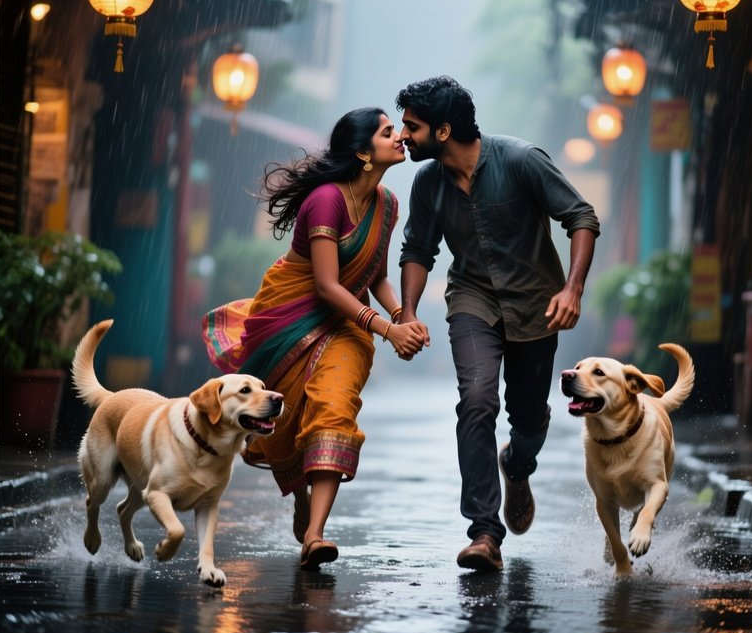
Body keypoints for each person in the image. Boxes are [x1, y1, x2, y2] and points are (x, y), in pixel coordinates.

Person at [202, 107, 428, 569]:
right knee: (286, 418)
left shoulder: (387, 204)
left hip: (347, 325)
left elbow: (375, 275)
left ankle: (315, 533)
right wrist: (388, 329)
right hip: (288, 318)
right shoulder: (325, 199)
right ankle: (302, 501)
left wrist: (404, 316)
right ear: (364, 152)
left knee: (334, 404)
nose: (400, 137)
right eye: (389, 133)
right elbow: (327, 286)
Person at [395, 76, 600, 572]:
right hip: (472, 301)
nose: (403, 136)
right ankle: (484, 532)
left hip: (536, 305)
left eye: (412, 127)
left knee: (529, 418)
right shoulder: (427, 184)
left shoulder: (521, 160)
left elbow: (581, 217)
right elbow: (419, 251)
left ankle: (518, 464)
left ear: (443, 131)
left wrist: (571, 288)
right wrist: (406, 312)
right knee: (477, 399)